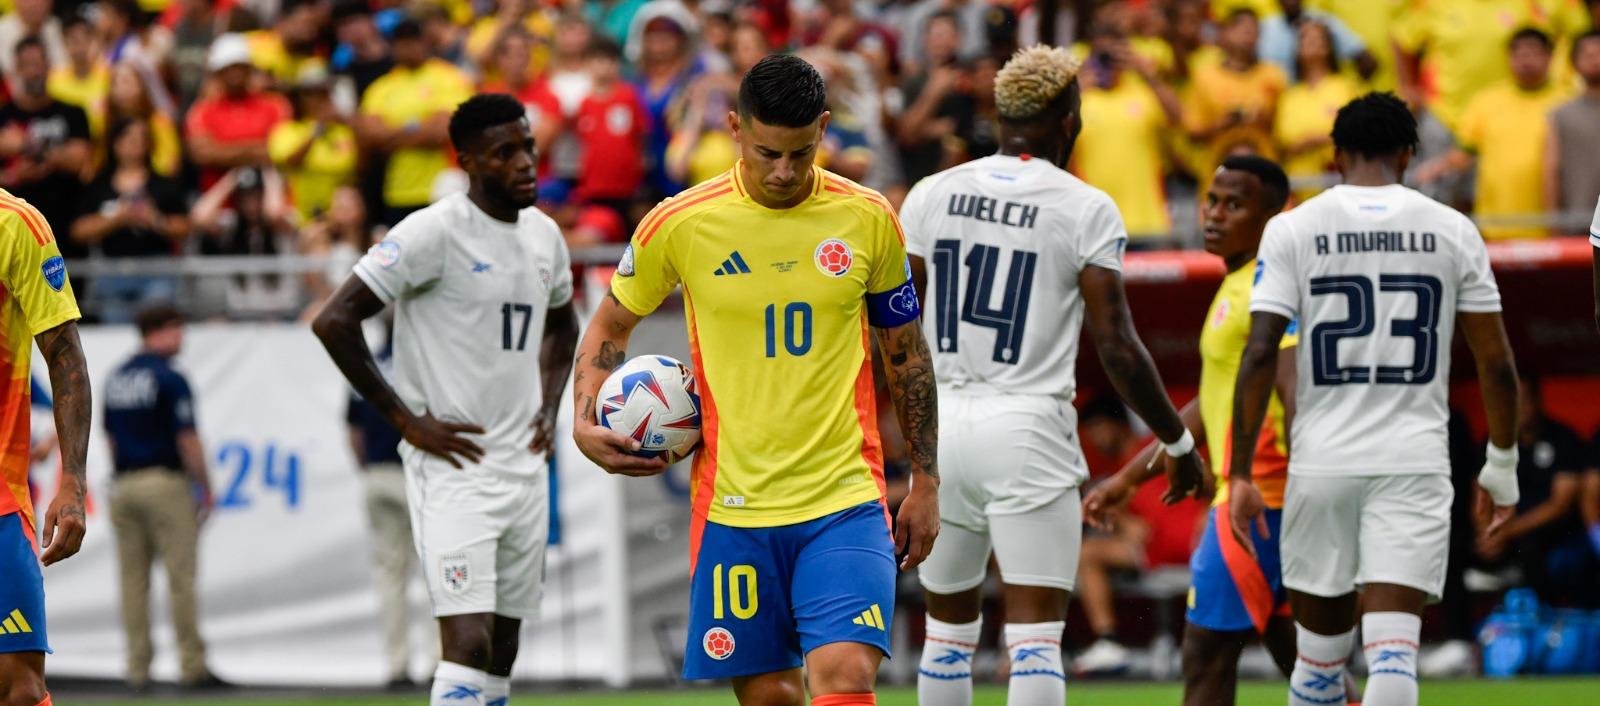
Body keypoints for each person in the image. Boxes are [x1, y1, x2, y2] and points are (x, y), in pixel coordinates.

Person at [570, 54, 939, 706]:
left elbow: (907, 356)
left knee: (845, 679)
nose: (784, 172)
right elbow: (607, 326)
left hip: (845, 501)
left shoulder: (868, 217)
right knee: (771, 697)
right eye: (768, 152)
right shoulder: (681, 222)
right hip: (732, 510)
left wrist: (928, 481)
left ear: (824, 126)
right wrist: (582, 420)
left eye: (801, 153)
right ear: (735, 127)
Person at [897, 45, 1205, 706]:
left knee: (947, 639)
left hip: (943, 425)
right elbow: (1118, 346)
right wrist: (1176, 444)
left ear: (1001, 112)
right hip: (1028, 426)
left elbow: (893, 327)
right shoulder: (1085, 206)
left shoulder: (932, 192)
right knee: (1034, 641)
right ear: (1071, 120)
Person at [1228, 92, 1521, 706]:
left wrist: (1240, 473)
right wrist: (1502, 465)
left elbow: (1258, 355)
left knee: (1318, 658)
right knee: (1394, 650)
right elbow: (1496, 362)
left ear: (1335, 157)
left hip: (1321, 460)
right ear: (1409, 156)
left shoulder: (1292, 227)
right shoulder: (1453, 229)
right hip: (1412, 460)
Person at [313, 93, 579, 706]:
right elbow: (334, 320)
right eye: (504, 153)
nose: (524, 163)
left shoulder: (545, 236)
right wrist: (405, 420)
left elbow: (563, 327)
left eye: (528, 147)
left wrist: (547, 407)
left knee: (504, 649)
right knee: (468, 642)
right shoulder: (433, 231)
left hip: (524, 469)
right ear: (468, 162)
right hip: (455, 471)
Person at [1084, 156, 1314, 706]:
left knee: (1206, 657)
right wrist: (1127, 478)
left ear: (1272, 214)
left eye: (1233, 205)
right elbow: (1215, 406)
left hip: (1257, 501)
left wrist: (1299, 488)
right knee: (1306, 665)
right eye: (1211, 200)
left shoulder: (1266, 286)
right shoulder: (1239, 284)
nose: (1213, 214)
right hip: (1260, 501)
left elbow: (1294, 387)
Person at [0, 191, 92, 706]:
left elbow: (64, 357)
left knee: (18, 690)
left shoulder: (15, 224)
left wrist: (72, 482)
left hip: (0, 502)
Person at [102, 305, 222, 691]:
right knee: (180, 578)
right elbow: (188, 439)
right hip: (164, 483)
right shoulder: (170, 378)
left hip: (124, 484)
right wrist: (205, 486)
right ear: (159, 330)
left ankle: (137, 669)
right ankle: (192, 666)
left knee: (132, 582)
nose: (182, 337)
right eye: (177, 328)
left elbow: (112, 438)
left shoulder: (117, 377)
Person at [1415, 28, 1569, 240]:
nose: (1526, 61)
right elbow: (1462, 155)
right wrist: (1431, 170)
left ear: (1549, 57)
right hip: (1496, 226)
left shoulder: (1567, 100)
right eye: (1519, 55)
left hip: (1554, 227)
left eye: (1533, 54)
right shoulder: (1486, 101)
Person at [344, 324, 431, 689]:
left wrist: (367, 468)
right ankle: (440, 662)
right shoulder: (423, 366)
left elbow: (353, 431)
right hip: (417, 473)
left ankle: (397, 665)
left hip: (378, 475)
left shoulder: (367, 368)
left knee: (390, 576)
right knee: (433, 571)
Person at [70, 118, 190, 323]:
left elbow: (185, 227)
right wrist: (117, 219)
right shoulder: (98, 186)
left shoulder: (163, 184)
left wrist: (155, 219)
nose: (136, 142)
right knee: (116, 331)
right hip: (112, 269)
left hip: (156, 268)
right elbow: (78, 231)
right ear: (114, 143)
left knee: (155, 323)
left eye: (142, 137)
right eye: (128, 137)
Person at [357, 18, 473, 227]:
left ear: (425, 42)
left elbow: (445, 130)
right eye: (401, 43)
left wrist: (393, 134)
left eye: (412, 42)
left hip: (444, 186)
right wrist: (420, 127)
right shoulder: (382, 87)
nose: (407, 48)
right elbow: (368, 136)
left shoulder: (449, 77)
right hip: (398, 191)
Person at [0, 37, 92, 258]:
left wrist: (27, 146)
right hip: (13, 232)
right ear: (17, 70)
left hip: (64, 225)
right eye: (27, 65)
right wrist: (12, 176)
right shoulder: (4, 116)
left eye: (39, 63)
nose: (34, 71)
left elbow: (80, 160)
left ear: (49, 65)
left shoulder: (73, 113)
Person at [184, 32, 291, 191]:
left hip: (268, 197)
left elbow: (283, 150)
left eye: (240, 67)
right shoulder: (203, 110)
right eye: (228, 68)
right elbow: (202, 154)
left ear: (249, 68)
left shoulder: (275, 104)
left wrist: (223, 150)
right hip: (219, 203)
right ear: (217, 73)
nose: (235, 74)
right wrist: (255, 150)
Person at [1546, 30, 1600, 236]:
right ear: (1574, 63)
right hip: (1576, 225)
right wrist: (1553, 223)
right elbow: (1551, 171)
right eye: (1588, 55)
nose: (1595, 60)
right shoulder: (1560, 115)